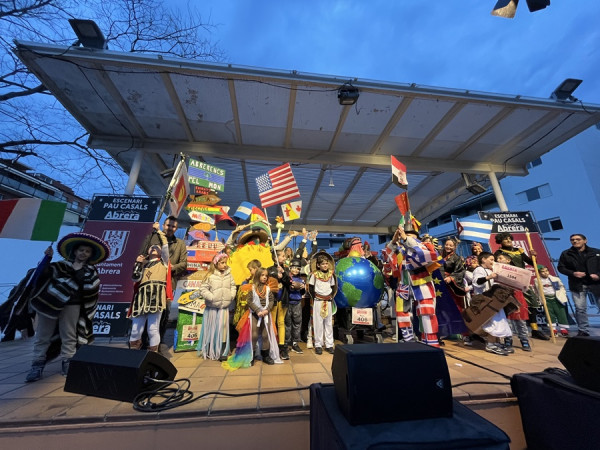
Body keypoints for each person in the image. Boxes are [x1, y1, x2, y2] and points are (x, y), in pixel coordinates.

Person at [25, 232, 110, 382]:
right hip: (51, 304)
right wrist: (47, 258)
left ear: (90, 255)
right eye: (81, 250)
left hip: (73, 305)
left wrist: (81, 279)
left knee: (69, 335)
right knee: (43, 335)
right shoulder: (59, 266)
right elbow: (40, 276)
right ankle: (37, 365)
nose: (83, 253)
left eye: (87, 251)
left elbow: (92, 289)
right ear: (75, 251)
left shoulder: (91, 271)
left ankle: (68, 362)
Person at [139, 216, 187, 347]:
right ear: (163, 225)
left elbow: (183, 264)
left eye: (173, 226)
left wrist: (170, 268)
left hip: (168, 284)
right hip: (149, 282)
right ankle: (143, 342)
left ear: (176, 228)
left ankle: (157, 344)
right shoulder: (153, 239)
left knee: (164, 314)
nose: (170, 228)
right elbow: (143, 256)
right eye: (168, 225)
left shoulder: (180, 244)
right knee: (146, 311)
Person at [493, 232, 548, 341]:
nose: (508, 240)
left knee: (532, 302)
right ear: (500, 241)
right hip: (509, 282)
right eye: (505, 239)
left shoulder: (519, 251)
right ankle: (509, 332)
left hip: (522, 280)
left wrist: (533, 256)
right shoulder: (499, 253)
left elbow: (532, 263)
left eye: (509, 238)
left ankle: (535, 329)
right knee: (509, 305)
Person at [128, 229, 171, 352]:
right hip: (141, 297)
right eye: (151, 247)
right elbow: (134, 278)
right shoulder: (142, 264)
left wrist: (159, 231)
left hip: (156, 296)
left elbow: (165, 246)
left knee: (152, 328)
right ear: (147, 251)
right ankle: (133, 354)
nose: (154, 248)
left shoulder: (164, 262)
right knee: (136, 328)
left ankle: (153, 355)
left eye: (157, 247)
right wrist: (138, 263)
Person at [195, 253, 236, 361]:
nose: (224, 265)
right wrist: (211, 297)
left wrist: (231, 296)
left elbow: (233, 287)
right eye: (222, 263)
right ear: (216, 263)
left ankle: (223, 350)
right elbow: (203, 289)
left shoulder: (229, 275)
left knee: (223, 328)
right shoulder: (210, 276)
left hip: (224, 307)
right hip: (212, 307)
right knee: (212, 328)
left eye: (225, 263)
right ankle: (211, 348)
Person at [557, 234, 600, 337]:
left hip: (596, 284)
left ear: (585, 240)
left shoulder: (596, 252)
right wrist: (573, 273)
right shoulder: (566, 253)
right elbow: (561, 267)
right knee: (580, 308)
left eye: (578, 239)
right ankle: (583, 330)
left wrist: (598, 275)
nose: (575, 241)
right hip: (577, 284)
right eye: (572, 240)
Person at [472, 252, 512, 356]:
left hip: (495, 300)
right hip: (485, 300)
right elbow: (477, 282)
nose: (493, 262)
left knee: (500, 321)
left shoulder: (492, 270)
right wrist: (488, 277)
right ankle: (491, 344)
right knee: (493, 323)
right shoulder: (479, 270)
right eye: (491, 259)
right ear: (483, 260)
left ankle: (497, 343)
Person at [495, 253, 531, 352]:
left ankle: (524, 340)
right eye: (497, 258)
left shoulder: (517, 271)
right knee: (507, 321)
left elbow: (524, 284)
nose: (498, 259)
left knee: (520, 321)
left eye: (500, 258)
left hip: (517, 297)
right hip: (504, 298)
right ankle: (508, 340)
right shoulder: (496, 271)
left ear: (508, 260)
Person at [308, 251, 337, 355]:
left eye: (326, 263)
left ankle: (329, 345)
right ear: (318, 265)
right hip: (318, 301)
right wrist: (315, 298)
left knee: (329, 323)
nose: (325, 266)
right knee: (318, 323)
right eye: (323, 264)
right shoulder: (314, 275)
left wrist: (330, 297)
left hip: (328, 301)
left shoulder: (331, 275)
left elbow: (333, 287)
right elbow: (311, 288)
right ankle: (318, 345)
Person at [537, 265, 570, 338]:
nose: (545, 273)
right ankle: (553, 329)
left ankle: (563, 329)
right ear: (539, 273)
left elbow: (561, 287)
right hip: (546, 299)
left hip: (556, 298)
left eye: (546, 271)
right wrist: (540, 299)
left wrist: (562, 294)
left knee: (561, 313)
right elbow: (537, 290)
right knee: (549, 314)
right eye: (542, 272)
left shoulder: (555, 279)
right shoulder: (537, 280)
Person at [286, 259, 306, 354]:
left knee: (297, 323)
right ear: (290, 268)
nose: (296, 270)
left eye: (298, 269)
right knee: (287, 323)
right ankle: (286, 342)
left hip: (297, 302)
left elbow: (303, 292)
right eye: (294, 268)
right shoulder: (288, 278)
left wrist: (302, 287)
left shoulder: (301, 279)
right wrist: (290, 285)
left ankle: (295, 343)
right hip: (288, 303)